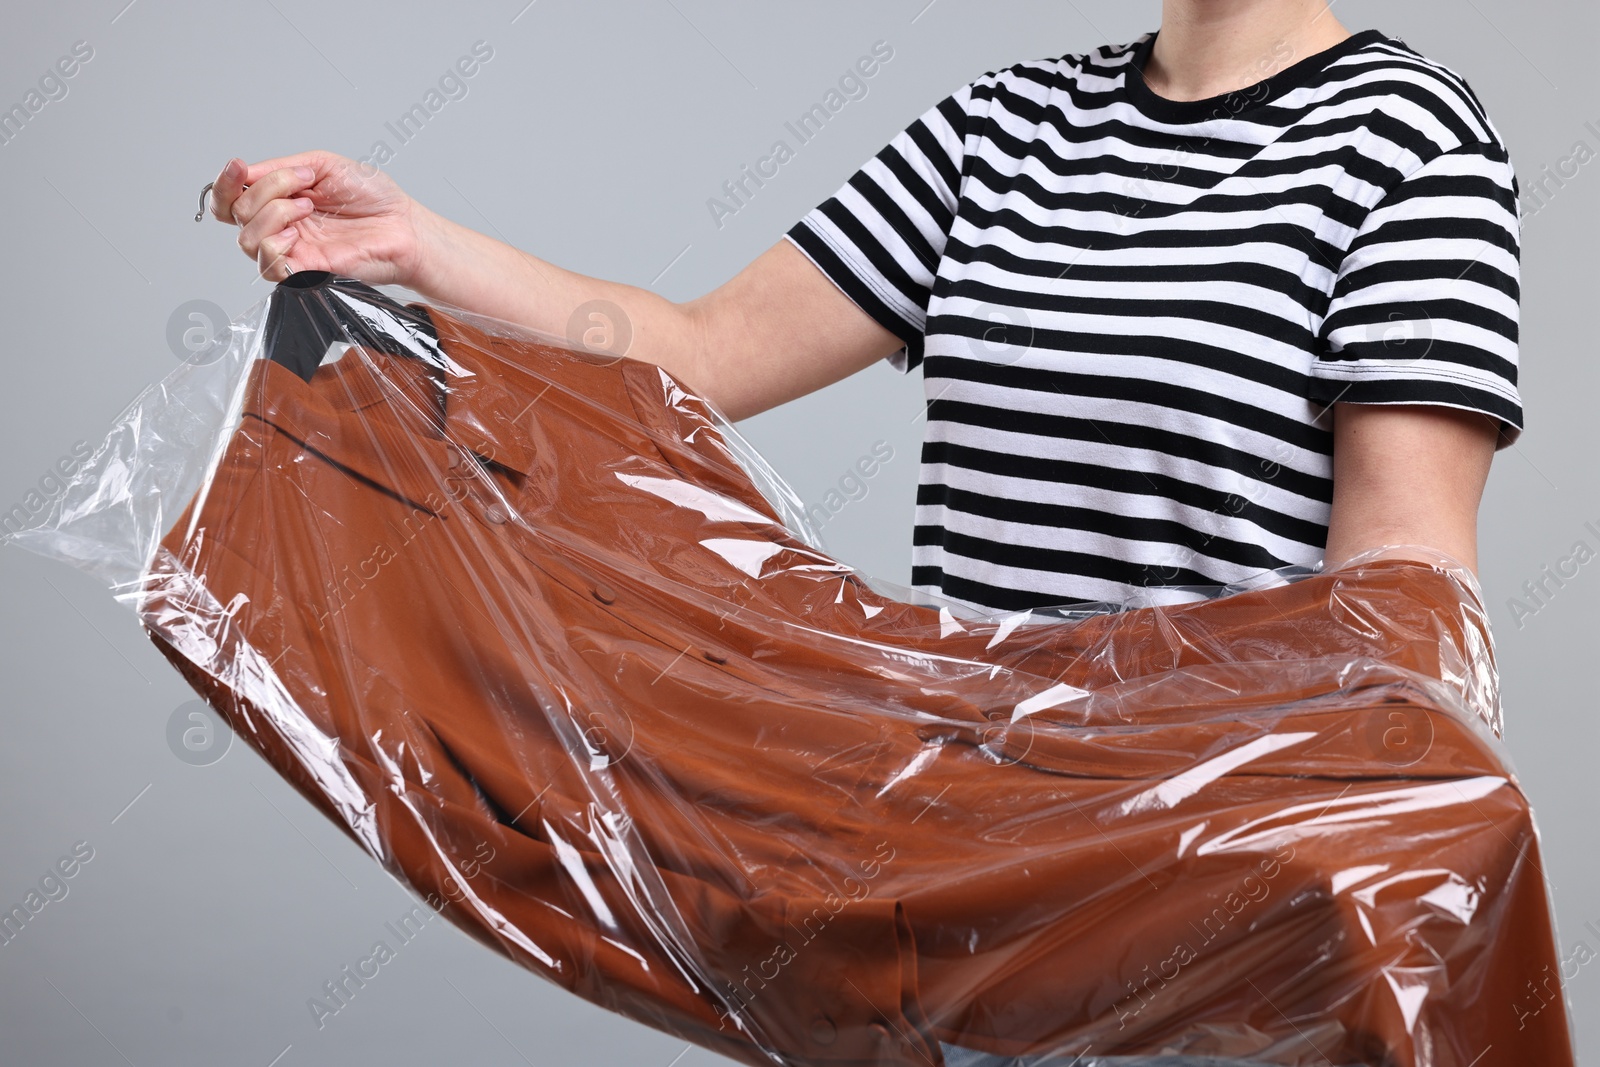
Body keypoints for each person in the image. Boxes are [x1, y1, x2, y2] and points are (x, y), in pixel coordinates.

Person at [205, 0, 1521, 620]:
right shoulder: (1005, 127)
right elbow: (699, 354)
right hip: (974, 844)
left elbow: (1400, 591)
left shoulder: (1410, 143)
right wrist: (413, 243)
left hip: (1224, 870)